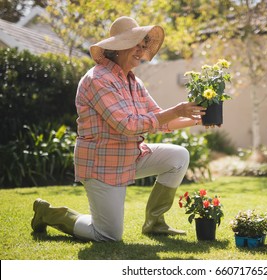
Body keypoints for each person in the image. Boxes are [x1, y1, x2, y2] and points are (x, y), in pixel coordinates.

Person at [31, 16, 206, 241]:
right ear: (118, 46)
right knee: (108, 235)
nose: (141, 51)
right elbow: (127, 125)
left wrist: (197, 119)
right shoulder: (97, 79)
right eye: (137, 44)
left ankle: (155, 223)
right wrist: (177, 110)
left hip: (130, 157)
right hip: (102, 165)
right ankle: (49, 213)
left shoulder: (134, 82)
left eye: (144, 46)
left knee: (179, 156)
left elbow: (160, 119)